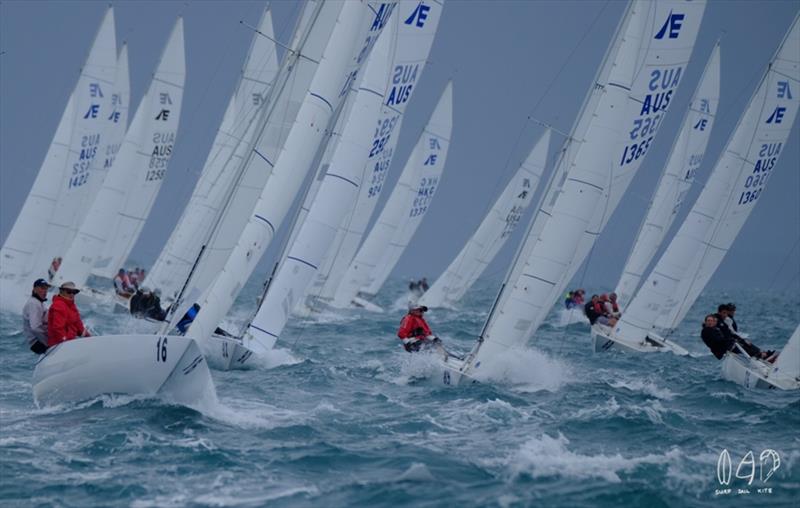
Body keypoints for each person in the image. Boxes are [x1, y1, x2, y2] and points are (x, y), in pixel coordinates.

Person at [700, 314, 774, 361]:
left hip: (727, 346)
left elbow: (726, 336)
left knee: (744, 342)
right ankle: (761, 355)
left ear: (714, 322)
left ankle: (762, 353)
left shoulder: (715, 329)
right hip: (722, 350)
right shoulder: (706, 331)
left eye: (711, 321)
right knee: (740, 345)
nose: (710, 322)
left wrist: (737, 339)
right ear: (706, 322)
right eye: (708, 321)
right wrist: (731, 339)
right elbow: (717, 340)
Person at [48, 281, 90, 347]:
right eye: (69, 292)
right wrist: (65, 342)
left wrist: (88, 337)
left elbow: (78, 323)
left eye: (74, 292)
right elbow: (58, 329)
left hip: (70, 341)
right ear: (61, 292)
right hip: (58, 345)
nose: (72, 294)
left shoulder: (71, 305)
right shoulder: (59, 305)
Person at [22, 278, 50, 354]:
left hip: (39, 341)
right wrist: (48, 342)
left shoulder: (38, 302)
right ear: (35, 289)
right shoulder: (33, 304)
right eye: (42, 288)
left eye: (46, 288)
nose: (45, 291)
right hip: (38, 343)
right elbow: (35, 327)